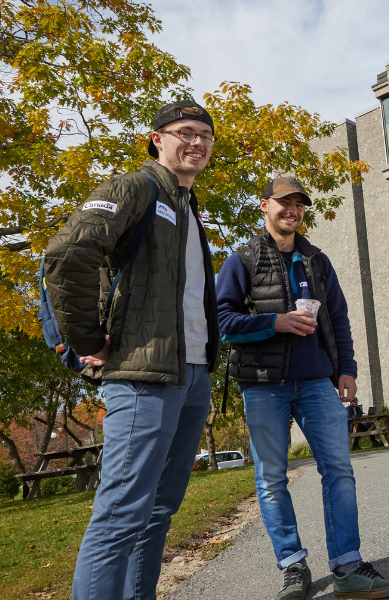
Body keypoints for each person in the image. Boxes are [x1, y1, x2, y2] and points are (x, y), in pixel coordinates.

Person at [44, 100, 220, 600]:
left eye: (206, 136)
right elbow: (67, 253)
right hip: (142, 377)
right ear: (156, 138)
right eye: (184, 131)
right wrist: (86, 340)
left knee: (159, 510)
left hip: (192, 374)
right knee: (122, 511)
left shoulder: (187, 208)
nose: (197, 142)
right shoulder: (134, 188)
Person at [216, 177, 389, 600]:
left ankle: (347, 566)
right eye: (284, 203)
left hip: (318, 382)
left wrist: (347, 369)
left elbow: (338, 318)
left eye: (299, 204)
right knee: (271, 479)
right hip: (263, 387)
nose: (292, 211)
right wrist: (274, 322)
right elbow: (223, 322)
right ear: (264, 206)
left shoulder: (317, 260)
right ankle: (292, 566)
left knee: (339, 470)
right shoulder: (241, 261)